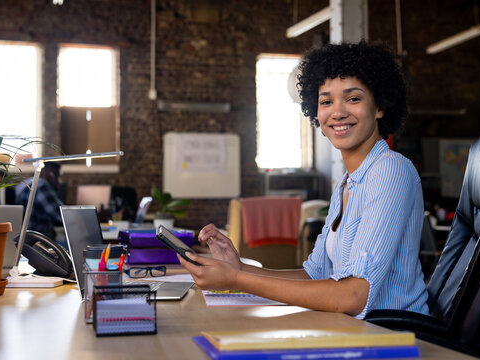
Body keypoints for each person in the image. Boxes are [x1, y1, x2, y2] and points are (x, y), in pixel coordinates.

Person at [179, 41, 429, 319]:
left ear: (380, 106)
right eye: (326, 101)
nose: (338, 112)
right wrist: (238, 268)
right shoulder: (347, 183)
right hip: (352, 331)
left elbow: (352, 296)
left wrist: (236, 281)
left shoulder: (391, 170)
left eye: (353, 98)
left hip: (395, 334)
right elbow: (314, 275)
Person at [15, 162, 64, 239]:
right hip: (36, 241)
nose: (59, 181)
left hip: (26, 240)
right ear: (51, 174)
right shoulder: (41, 185)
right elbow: (60, 215)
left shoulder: (27, 183)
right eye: (58, 176)